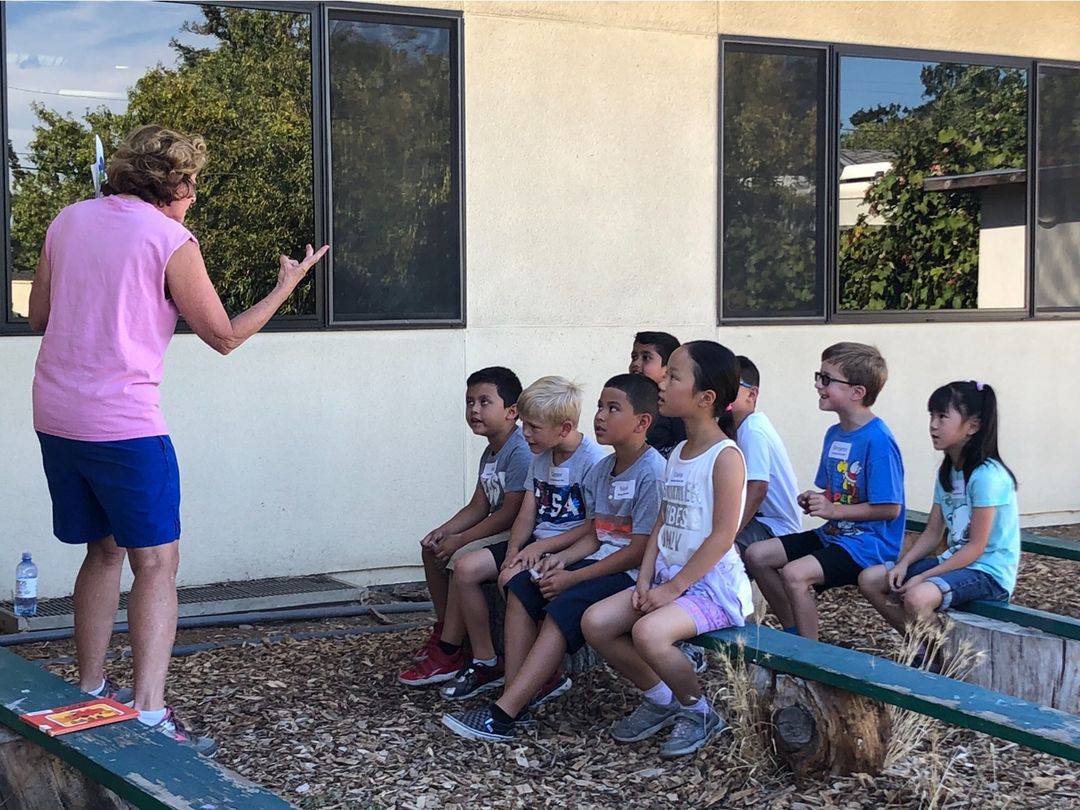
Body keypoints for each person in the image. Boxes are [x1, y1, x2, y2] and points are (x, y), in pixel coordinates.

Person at [29, 125, 328, 755]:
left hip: (57, 416)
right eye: (191, 185)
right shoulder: (170, 238)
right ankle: (147, 712)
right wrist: (285, 286)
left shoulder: (68, 220)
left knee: (103, 549)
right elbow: (222, 336)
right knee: (157, 562)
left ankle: (89, 689)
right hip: (125, 425)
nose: (193, 197)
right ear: (175, 184)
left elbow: (39, 319)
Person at [442, 374, 665, 741]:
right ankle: (516, 694)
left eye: (613, 409)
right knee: (522, 585)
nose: (600, 417)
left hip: (633, 573)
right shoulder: (604, 469)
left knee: (562, 605)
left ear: (642, 422)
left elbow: (639, 549)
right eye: (600, 406)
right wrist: (558, 562)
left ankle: (503, 715)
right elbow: (596, 534)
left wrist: (572, 576)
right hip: (597, 560)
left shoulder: (651, 472)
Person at [582, 341, 752, 759]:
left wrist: (671, 589)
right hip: (667, 578)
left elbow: (722, 536)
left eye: (674, 376)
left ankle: (699, 711)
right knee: (597, 622)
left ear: (705, 398)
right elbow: (662, 521)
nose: (662, 382)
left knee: (648, 633)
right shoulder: (676, 452)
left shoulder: (725, 457)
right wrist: (644, 578)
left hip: (711, 587)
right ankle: (661, 699)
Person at [401, 376, 607, 695]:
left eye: (533, 427)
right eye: (525, 425)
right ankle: (485, 659)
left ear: (563, 429)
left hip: (572, 548)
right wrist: (514, 550)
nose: (524, 434)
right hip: (534, 543)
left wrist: (538, 549)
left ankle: (535, 671)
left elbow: (592, 526)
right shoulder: (539, 456)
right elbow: (526, 511)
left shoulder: (592, 461)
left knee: (507, 578)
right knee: (471, 569)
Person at [743, 342, 905, 640]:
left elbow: (890, 508)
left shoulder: (878, 440)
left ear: (857, 392)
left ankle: (809, 656)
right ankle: (794, 628)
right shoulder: (835, 434)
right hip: (833, 535)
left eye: (827, 379)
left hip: (868, 545)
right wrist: (816, 500)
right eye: (819, 375)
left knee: (795, 574)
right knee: (757, 554)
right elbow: (835, 495)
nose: (818, 384)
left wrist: (834, 510)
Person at [860, 382, 1018, 655]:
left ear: (973, 426)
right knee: (872, 579)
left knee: (918, 597)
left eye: (942, 417)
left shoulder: (987, 477)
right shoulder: (948, 473)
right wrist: (904, 564)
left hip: (989, 573)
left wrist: (924, 577)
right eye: (931, 416)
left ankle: (956, 664)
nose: (933, 425)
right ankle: (924, 650)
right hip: (957, 564)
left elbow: (975, 548)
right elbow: (933, 533)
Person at [403, 367, 530, 674]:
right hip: (496, 530)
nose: (474, 409)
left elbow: (509, 514)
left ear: (512, 411)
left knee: (460, 557)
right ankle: (446, 630)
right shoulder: (491, 451)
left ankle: (451, 652)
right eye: (469, 401)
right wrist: (443, 531)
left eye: (485, 402)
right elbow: (478, 505)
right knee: (432, 549)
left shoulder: (520, 450)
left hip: (517, 536)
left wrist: (461, 539)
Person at [731, 355, 802, 552]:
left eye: (732, 386)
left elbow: (758, 487)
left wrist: (730, 532)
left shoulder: (753, 430)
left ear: (752, 395)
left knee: (716, 547)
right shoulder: (745, 426)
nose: (724, 392)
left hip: (777, 528)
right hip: (764, 521)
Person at [629, 331, 685, 457]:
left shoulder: (675, 408)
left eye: (646, 358)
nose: (636, 364)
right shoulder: (632, 401)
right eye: (634, 357)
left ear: (668, 368)